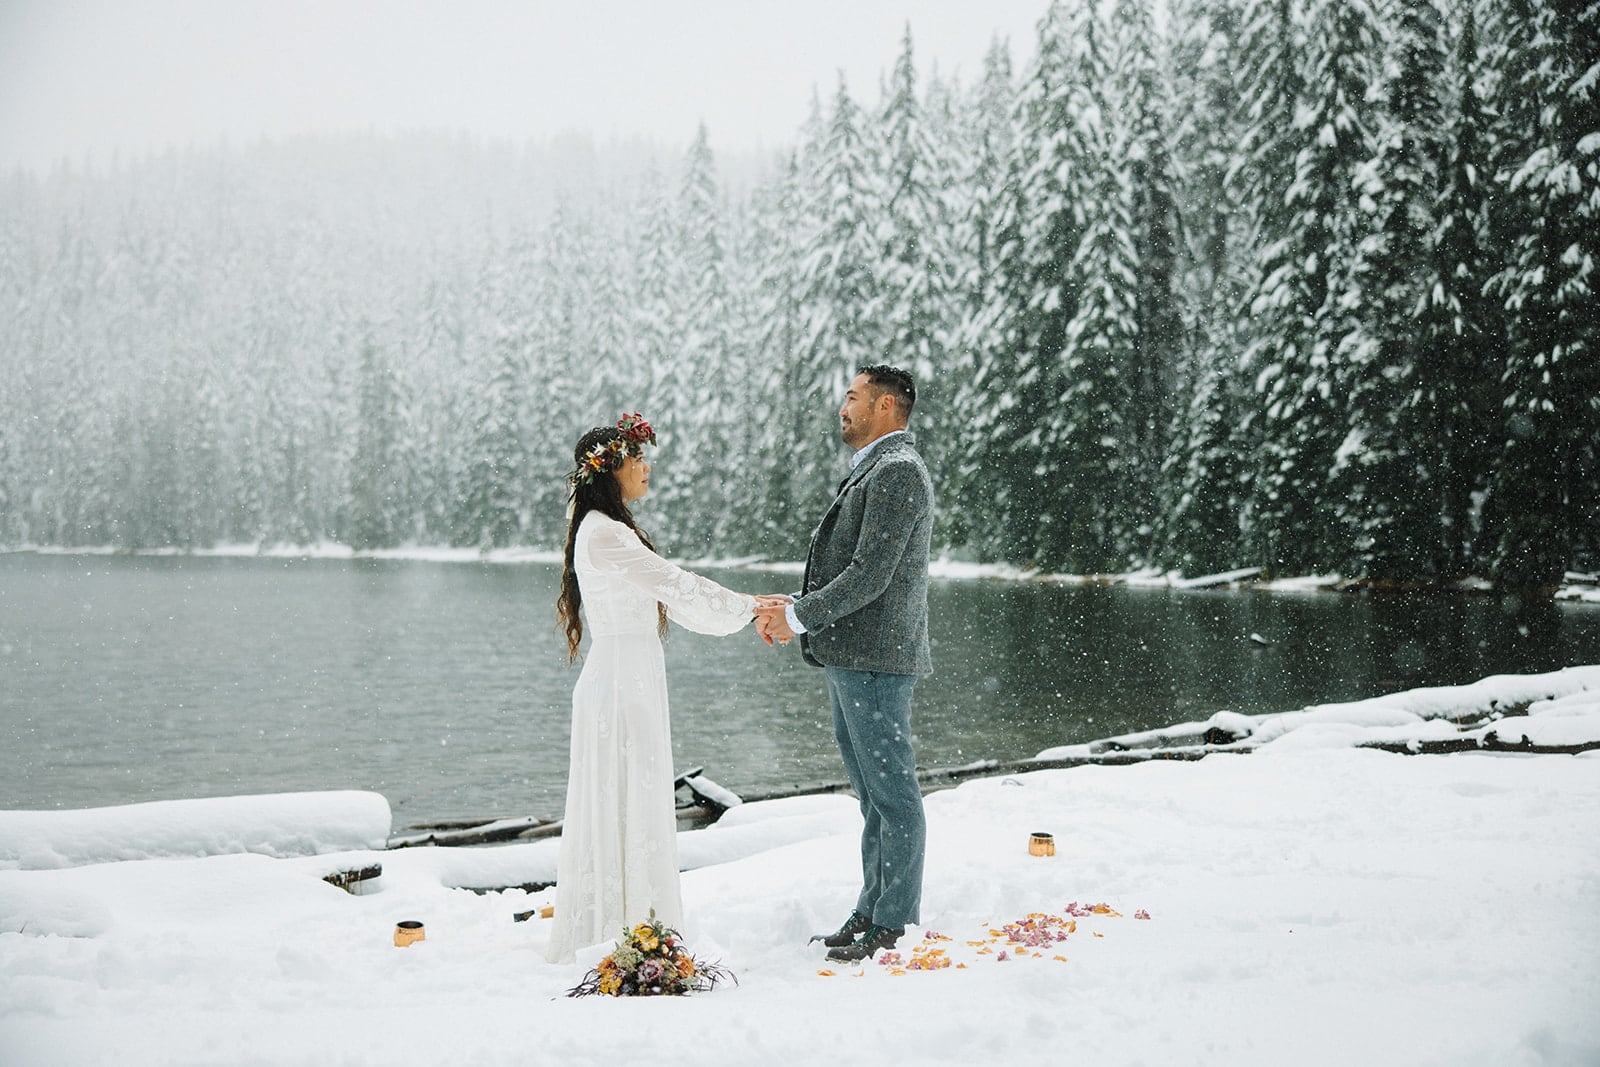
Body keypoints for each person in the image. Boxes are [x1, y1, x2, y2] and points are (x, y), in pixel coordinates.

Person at [545, 413, 775, 965]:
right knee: (628, 796)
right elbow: (674, 584)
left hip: (631, 677)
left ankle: (631, 926)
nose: (647, 468)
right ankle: (625, 933)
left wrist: (745, 613)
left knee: (632, 798)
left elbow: (672, 596)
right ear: (610, 469)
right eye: (638, 459)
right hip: (622, 686)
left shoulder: (606, 528)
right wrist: (749, 610)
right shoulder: (603, 533)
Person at [754, 365, 934, 963]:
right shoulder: (877, 469)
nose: (843, 407)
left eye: (852, 397)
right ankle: (872, 908)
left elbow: (871, 575)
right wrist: (796, 604)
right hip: (855, 657)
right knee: (871, 795)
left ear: (885, 406)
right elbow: (851, 569)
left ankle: (896, 922)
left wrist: (800, 617)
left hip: (877, 659)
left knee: (893, 793)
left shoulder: (899, 471)